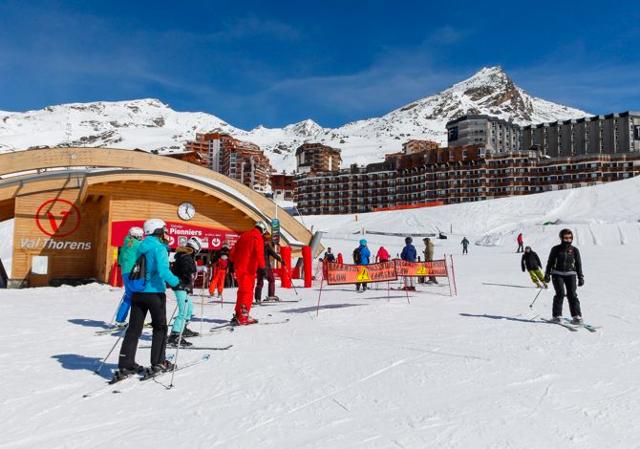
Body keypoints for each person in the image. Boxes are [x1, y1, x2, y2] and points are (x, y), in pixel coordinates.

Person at [114, 219, 184, 381]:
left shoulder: (140, 247)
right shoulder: (159, 248)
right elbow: (163, 271)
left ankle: (126, 363)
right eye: (164, 230)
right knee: (160, 328)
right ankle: (158, 363)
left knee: (134, 329)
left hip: (138, 293)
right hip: (154, 294)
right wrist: (177, 283)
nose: (166, 233)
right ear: (157, 231)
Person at [544, 229, 584, 324]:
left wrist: (580, 277)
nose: (568, 240)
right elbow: (550, 262)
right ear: (561, 238)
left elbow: (578, 264)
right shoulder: (556, 249)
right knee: (560, 293)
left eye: (570, 238)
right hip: (557, 274)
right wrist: (547, 274)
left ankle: (577, 317)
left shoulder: (574, 250)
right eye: (566, 238)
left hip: (571, 274)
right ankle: (557, 316)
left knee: (572, 295)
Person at [229, 221, 266, 325]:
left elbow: (233, 250)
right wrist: (262, 267)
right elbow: (259, 252)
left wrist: (231, 263)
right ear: (262, 230)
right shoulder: (257, 236)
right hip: (248, 269)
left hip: (238, 267)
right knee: (247, 292)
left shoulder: (244, 235)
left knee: (241, 291)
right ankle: (243, 316)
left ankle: (238, 313)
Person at [168, 237, 202, 347]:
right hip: (181, 285)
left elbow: (187, 269)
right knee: (183, 311)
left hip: (184, 285)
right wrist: (188, 278)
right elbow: (185, 270)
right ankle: (175, 335)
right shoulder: (186, 256)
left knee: (189, 309)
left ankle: (183, 328)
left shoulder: (186, 255)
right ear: (196, 248)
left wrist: (198, 269)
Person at [114, 226, 144, 327]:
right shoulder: (138, 244)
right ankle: (137, 320)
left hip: (125, 273)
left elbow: (120, 259)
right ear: (136, 236)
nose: (141, 238)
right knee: (141, 295)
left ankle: (120, 320)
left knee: (129, 296)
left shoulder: (125, 243)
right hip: (135, 272)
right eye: (140, 236)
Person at [255, 232, 283, 302]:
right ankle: (271, 296)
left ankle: (257, 298)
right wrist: (281, 260)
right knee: (271, 280)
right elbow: (274, 254)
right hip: (266, 267)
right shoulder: (267, 246)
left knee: (259, 282)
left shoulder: (258, 245)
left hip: (258, 267)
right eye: (267, 239)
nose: (268, 240)